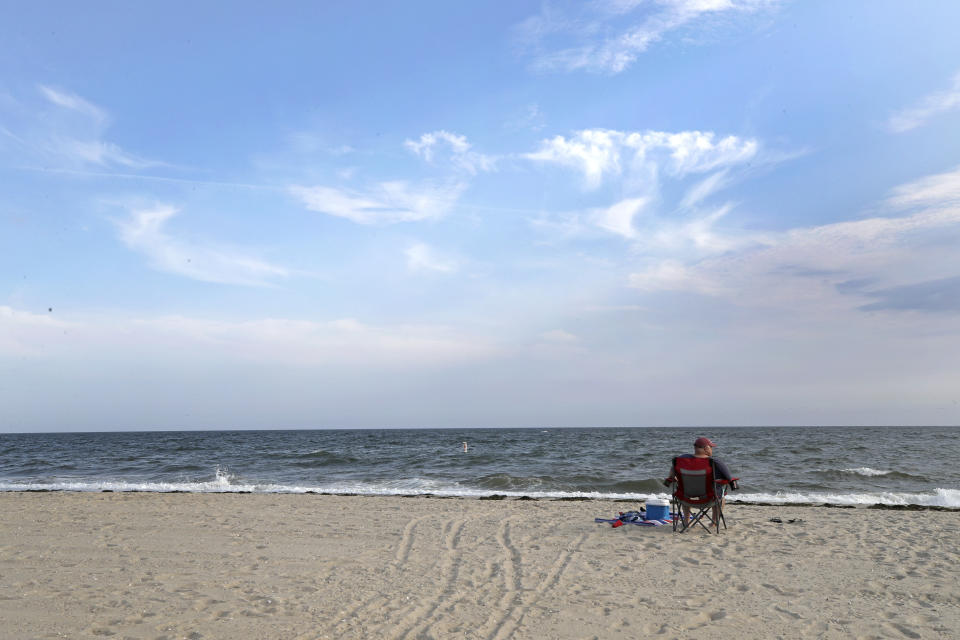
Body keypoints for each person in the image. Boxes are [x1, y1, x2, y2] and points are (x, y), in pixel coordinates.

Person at [668, 436, 737, 526]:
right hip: (709, 499)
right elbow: (728, 478)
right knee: (720, 495)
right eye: (711, 447)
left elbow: (671, 475)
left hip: (686, 499)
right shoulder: (714, 462)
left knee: (683, 490)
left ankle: (686, 522)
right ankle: (714, 522)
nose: (712, 450)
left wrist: (676, 478)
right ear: (706, 448)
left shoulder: (681, 460)